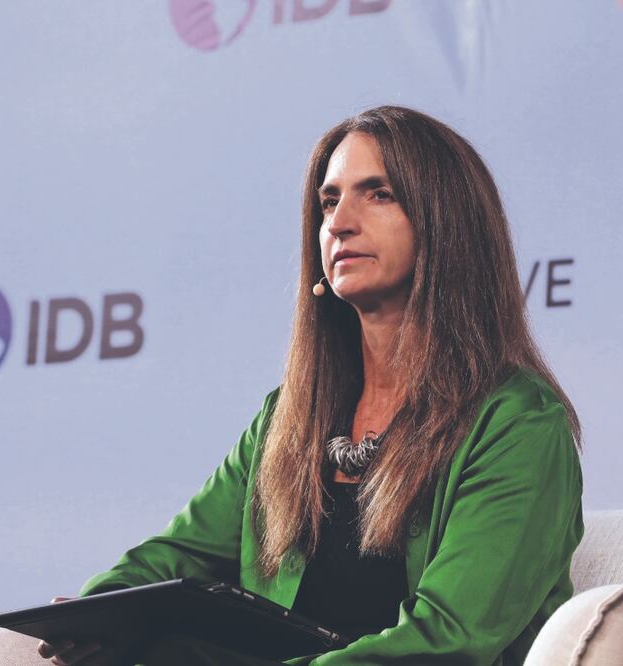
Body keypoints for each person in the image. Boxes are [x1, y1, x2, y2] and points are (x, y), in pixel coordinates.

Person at [38, 105, 584, 665]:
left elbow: (449, 641)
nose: (340, 222)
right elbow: (177, 557)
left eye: (379, 194)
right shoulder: (290, 417)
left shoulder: (518, 422)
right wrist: (99, 613)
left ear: (447, 224)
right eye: (329, 202)